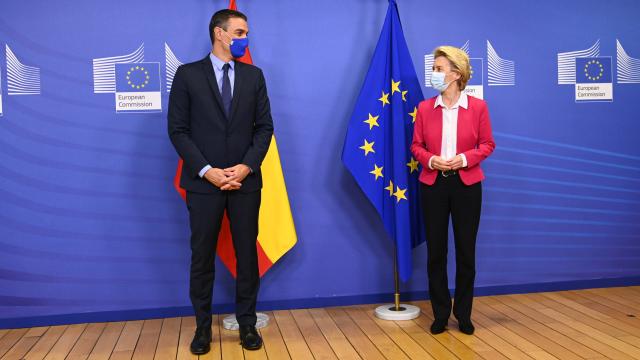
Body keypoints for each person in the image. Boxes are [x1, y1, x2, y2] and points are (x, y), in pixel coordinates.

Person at [168, 9, 273, 354]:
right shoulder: (187, 75)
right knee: (202, 258)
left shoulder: (254, 76)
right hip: (203, 184)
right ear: (220, 33)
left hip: (245, 182)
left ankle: (247, 324)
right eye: (240, 32)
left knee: (247, 256)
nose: (245, 38)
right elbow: (178, 131)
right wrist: (207, 170)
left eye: (246, 32)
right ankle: (201, 328)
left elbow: (264, 128)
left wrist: (244, 167)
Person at [410, 46, 495, 335]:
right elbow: (416, 147)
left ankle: (464, 314)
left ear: (456, 74)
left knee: (465, 252)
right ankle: (441, 314)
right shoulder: (424, 108)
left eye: (438, 68)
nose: (433, 73)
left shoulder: (478, 108)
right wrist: (432, 160)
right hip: (433, 185)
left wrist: (465, 159)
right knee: (436, 253)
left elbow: (487, 144)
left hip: (466, 185)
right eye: (434, 68)